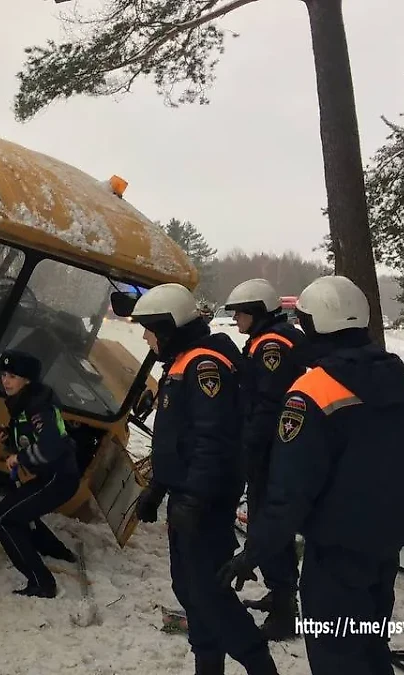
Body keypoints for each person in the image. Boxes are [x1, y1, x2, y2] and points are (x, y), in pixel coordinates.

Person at [218, 276, 404, 675]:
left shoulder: (312, 391)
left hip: (336, 553)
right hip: (385, 546)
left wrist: (253, 552)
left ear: (318, 324)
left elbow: (290, 491)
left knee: (337, 654)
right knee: (372, 648)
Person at [129, 283, 279, 675]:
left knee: (208, 593)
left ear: (167, 327)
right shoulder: (182, 364)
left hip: (205, 501)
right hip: (186, 495)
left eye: (148, 329)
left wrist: (193, 500)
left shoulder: (203, 365)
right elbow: (180, 441)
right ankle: (207, 666)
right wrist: (157, 488)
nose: (145, 337)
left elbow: (213, 442)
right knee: (190, 590)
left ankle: (260, 665)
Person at [222, 278, 307, 640]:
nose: (236, 320)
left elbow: (269, 404)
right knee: (270, 523)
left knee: (267, 523)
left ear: (255, 312)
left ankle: (285, 610)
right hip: (276, 449)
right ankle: (281, 592)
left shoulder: (272, 344)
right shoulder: (270, 339)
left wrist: (249, 449)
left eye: (240, 313)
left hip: (272, 450)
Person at [0, 349, 80, 598]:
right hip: (52, 476)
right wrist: (9, 441)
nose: (5, 381)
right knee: (19, 511)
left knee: (3, 519)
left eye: (12, 376)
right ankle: (57, 552)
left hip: (59, 478)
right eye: (4, 374)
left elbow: (51, 446)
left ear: (27, 379)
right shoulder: (26, 402)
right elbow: (30, 439)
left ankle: (42, 583)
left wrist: (20, 457)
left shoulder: (37, 406)